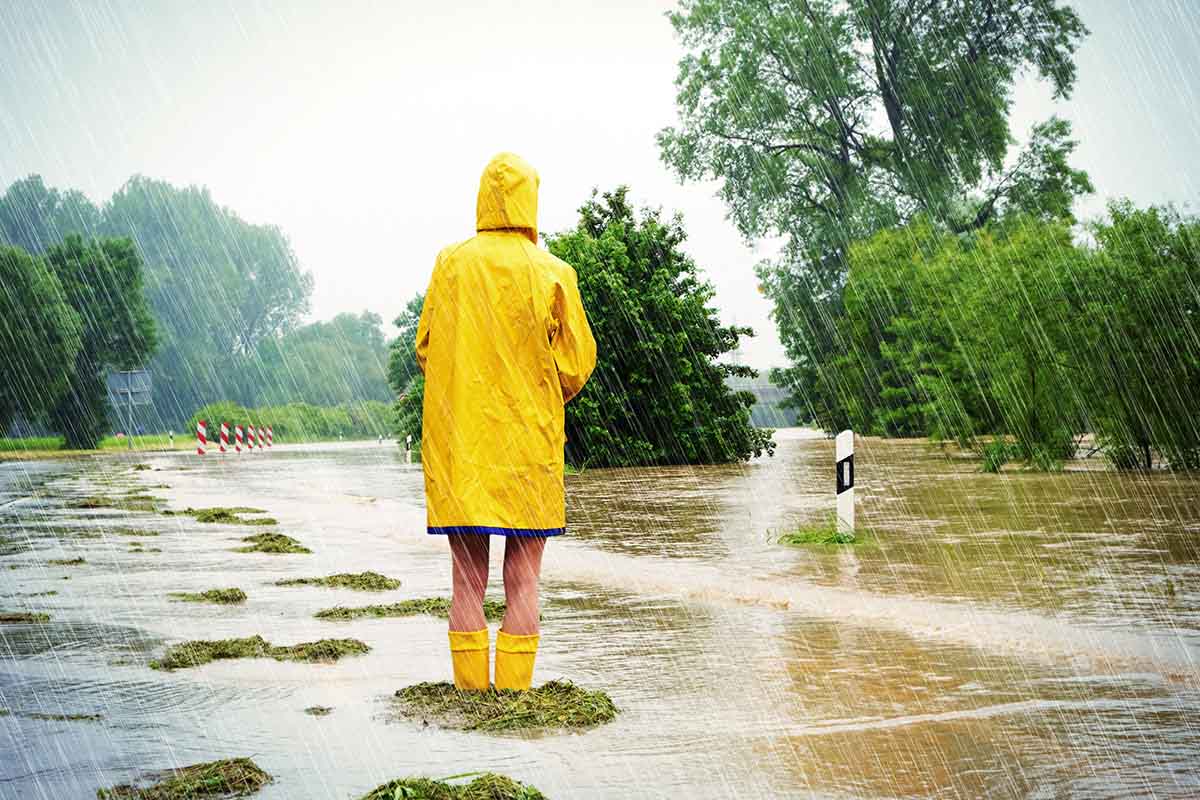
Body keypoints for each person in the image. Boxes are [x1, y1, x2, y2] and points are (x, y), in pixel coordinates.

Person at [415, 152, 596, 692]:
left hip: (462, 446)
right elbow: (578, 362)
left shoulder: (451, 264)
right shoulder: (553, 272)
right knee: (524, 579)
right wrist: (538, 387)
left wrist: (465, 379)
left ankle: (471, 699)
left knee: (467, 580)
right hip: (528, 448)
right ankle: (515, 698)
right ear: (531, 202)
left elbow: (425, 348)